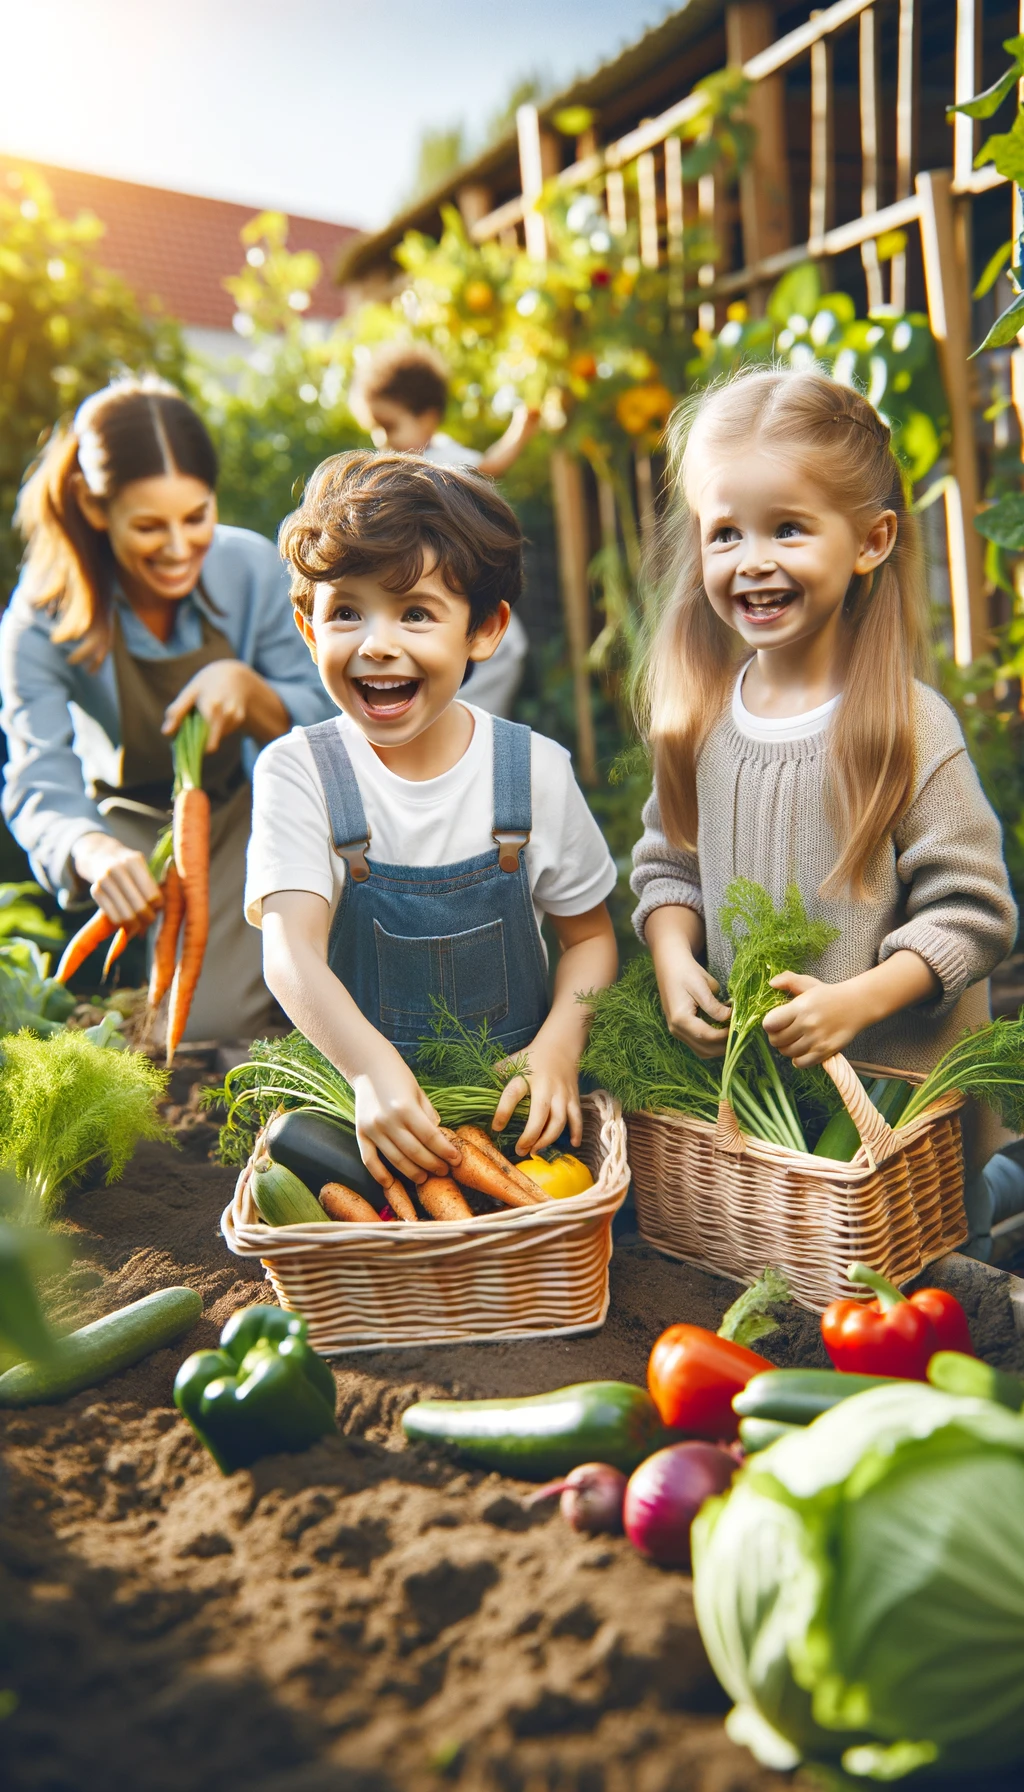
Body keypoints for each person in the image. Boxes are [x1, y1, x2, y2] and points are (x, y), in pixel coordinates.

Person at [630, 367, 1018, 1245]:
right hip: (763, 1091)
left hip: (893, 1089)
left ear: (871, 541)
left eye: (789, 529)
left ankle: (1000, 1188)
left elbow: (974, 912)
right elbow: (667, 865)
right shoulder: (700, 721)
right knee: (792, 1250)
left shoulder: (906, 725)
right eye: (725, 532)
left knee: (942, 1243)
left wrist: (861, 1000)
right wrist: (672, 956)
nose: (752, 559)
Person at [245, 450, 618, 1187]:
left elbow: (592, 940)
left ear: (483, 631)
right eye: (347, 611)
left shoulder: (532, 771)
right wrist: (369, 1073)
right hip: (367, 1124)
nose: (377, 642)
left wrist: (558, 1048)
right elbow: (291, 953)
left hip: (510, 1120)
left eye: (416, 613)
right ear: (310, 628)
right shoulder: (300, 771)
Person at [0, 376, 336, 1041]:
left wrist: (252, 693)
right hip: (129, 825)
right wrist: (90, 849)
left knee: (236, 1011)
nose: (180, 547)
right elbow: (37, 777)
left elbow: (334, 719)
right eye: (150, 527)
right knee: (197, 1026)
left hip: (246, 809)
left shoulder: (254, 570)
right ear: (97, 510)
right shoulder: (40, 620)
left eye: (197, 517)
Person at [352, 342, 540, 717]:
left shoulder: (441, 461)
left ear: (428, 419)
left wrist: (521, 430)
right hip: (443, 623)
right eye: (375, 429)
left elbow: (490, 466)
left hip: (478, 634)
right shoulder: (396, 471)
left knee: (469, 722)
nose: (381, 440)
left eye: (389, 426)